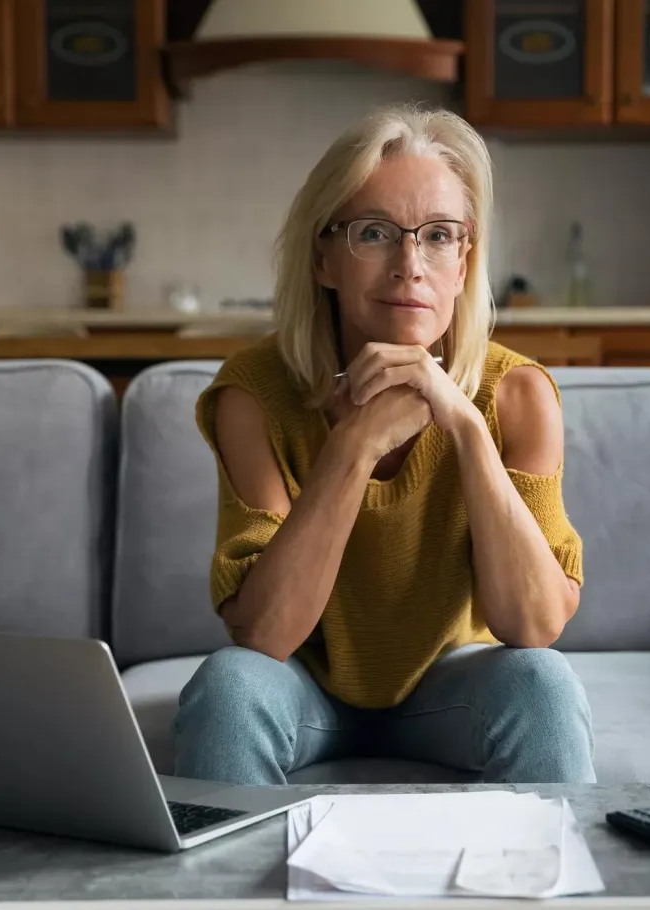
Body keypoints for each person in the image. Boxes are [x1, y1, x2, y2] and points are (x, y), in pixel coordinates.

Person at [175, 103, 594, 785]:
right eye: (374, 233)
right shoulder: (253, 395)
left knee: (543, 685)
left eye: (439, 236)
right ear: (322, 258)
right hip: (304, 688)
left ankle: (554, 859)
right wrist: (354, 446)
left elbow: (537, 624)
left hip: (455, 689)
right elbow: (264, 634)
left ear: (464, 261)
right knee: (228, 686)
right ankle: (228, 864)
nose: (410, 266)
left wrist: (466, 427)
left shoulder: (517, 394)